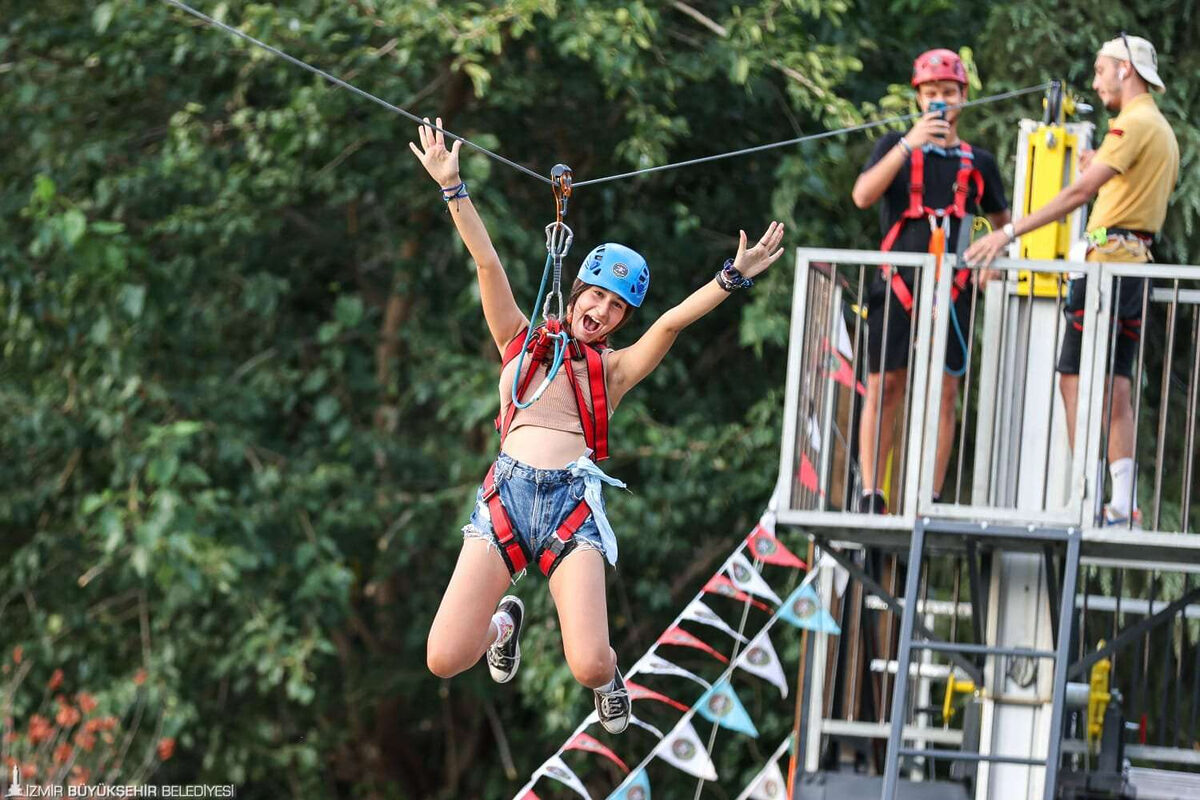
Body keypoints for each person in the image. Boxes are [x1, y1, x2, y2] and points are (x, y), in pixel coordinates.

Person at [412, 118, 785, 733]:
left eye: (616, 307)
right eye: (597, 296)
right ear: (578, 288)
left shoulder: (610, 372)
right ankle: (503, 623)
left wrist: (732, 276)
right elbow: (486, 261)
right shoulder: (519, 337)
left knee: (587, 665)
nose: (602, 311)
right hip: (506, 494)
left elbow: (667, 325)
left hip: (568, 508)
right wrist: (454, 188)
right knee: (445, 657)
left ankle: (610, 676)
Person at [967, 34, 1179, 527]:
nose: (1096, 79)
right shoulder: (1158, 128)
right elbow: (1128, 188)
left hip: (1106, 268)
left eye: (1102, 69)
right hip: (1135, 266)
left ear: (1126, 69)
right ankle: (1121, 503)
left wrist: (1009, 233)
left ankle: (1086, 494)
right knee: (1117, 386)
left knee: (1074, 378)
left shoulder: (1133, 122)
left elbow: (1081, 193)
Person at [851, 49, 1011, 513]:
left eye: (948, 93)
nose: (939, 102)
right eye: (930, 94)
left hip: (952, 288)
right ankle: (871, 492)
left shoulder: (978, 161)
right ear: (918, 99)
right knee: (885, 384)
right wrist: (909, 144)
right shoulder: (893, 148)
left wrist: (990, 260)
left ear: (963, 97)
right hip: (898, 283)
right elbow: (863, 196)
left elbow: (1004, 222)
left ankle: (932, 495)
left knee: (945, 390)